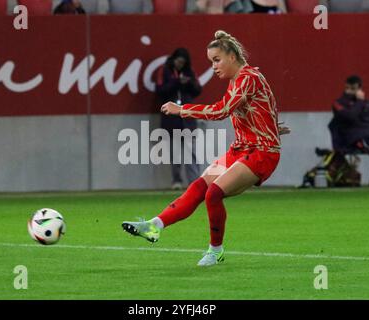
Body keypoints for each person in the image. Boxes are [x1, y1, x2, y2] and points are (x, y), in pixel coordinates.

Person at [122, 30, 290, 267]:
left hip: (262, 152)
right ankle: (154, 226)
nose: (213, 66)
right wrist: (271, 126)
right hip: (241, 149)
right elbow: (265, 106)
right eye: (211, 61)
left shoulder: (248, 77)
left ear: (232, 56)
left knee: (214, 193)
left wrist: (182, 109)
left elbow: (221, 111)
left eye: (216, 60)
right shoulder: (239, 81)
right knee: (200, 186)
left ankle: (215, 251)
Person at [155, 48, 203, 190]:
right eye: (179, 62)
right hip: (171, 118)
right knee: (175, 153)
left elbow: (198, 90)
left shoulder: (190, 71)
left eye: (183, 63)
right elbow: (160, 91)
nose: (180, 65)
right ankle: (176, 180)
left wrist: (187, 83)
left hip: (188, 117)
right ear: (174, 59)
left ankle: (194, 182)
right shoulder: (164, 71)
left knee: (191, 152)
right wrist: (176, 82)